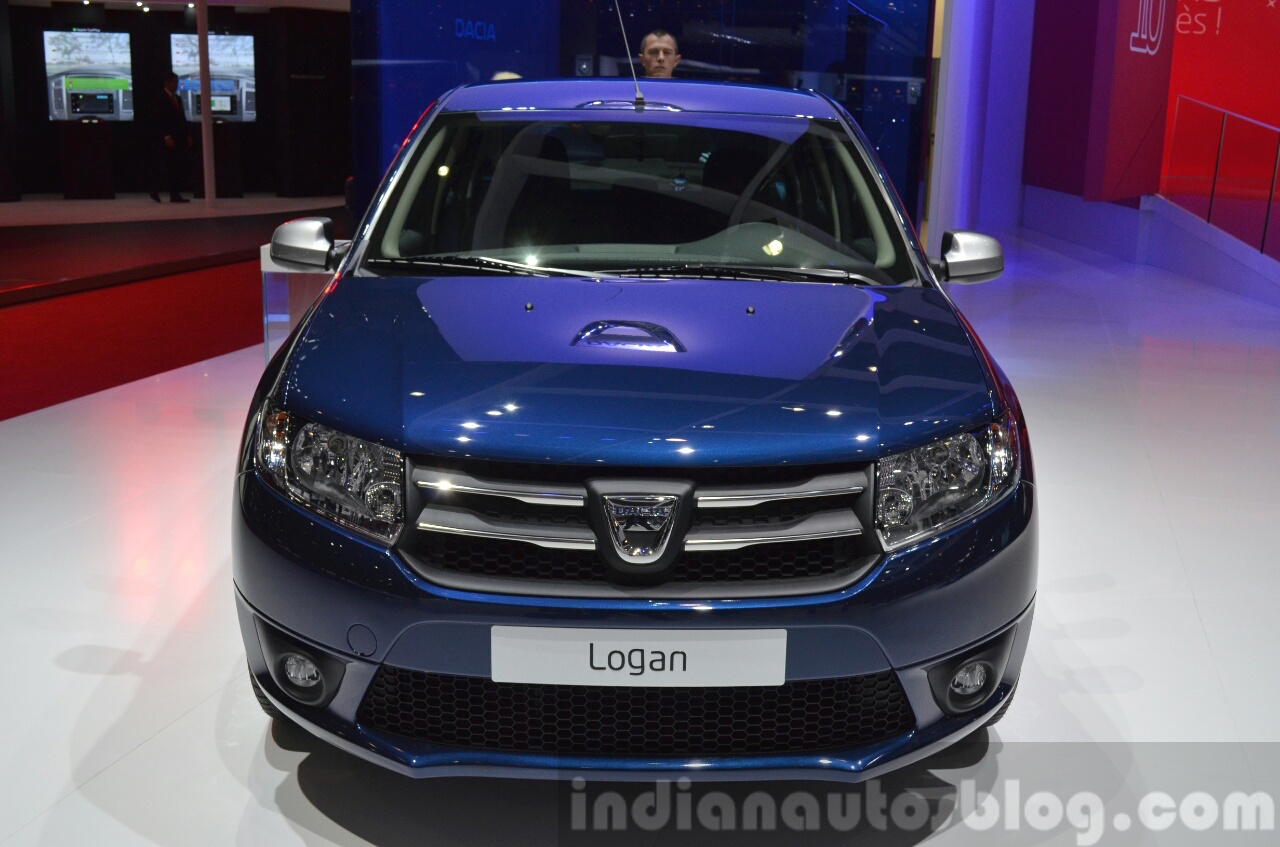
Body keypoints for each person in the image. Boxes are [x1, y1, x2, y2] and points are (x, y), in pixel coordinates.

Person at [151, 72, 191, 203]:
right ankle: (157, 191)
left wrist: (187, 135)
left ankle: (173, 194)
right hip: (166, 139)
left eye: (177, 83)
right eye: (174, 83)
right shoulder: (160, 98)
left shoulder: (177, 99)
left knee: (174, 166)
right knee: (165, 166)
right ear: (166, 83)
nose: (176, 85)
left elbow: (182, 119)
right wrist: (166, 136)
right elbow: (158, 120)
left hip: (178, 137)